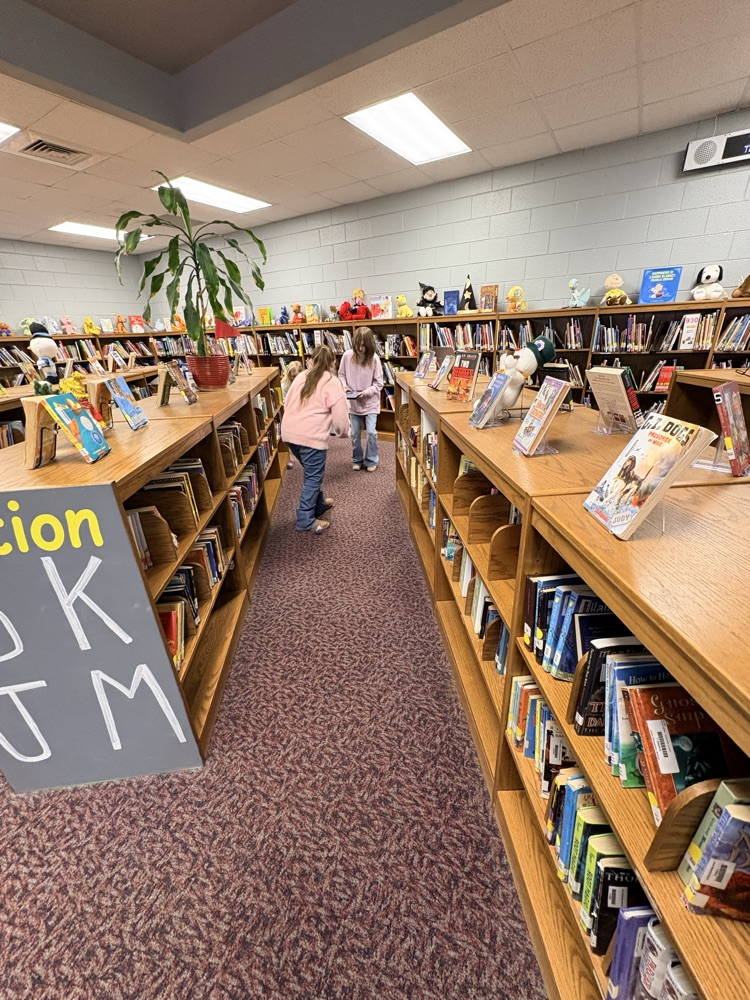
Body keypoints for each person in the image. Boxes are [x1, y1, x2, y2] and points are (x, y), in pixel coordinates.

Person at [280, 345, 349, 534]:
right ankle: (305, 519)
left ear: (312, 360)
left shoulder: (302, 376)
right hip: (311, 437)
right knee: (313, 477)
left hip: (289, 434)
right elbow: (341, 419)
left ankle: (318, 505)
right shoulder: (332, 382)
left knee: (313, 472)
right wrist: (343, 433)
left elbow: (287, 402)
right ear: (332, 362)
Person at [338, 326, 384, 471]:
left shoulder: (374, 358)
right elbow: (341, 375)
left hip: (370, 402)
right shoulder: (347, 356)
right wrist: (345, 387)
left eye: (364, 345)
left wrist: (367, 392)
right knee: (355, 435)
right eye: (358, 344)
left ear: (369, 344)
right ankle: (357, 459)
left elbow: (379, 383)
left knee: (371, 432)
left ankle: (371, 460)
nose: (360, 348)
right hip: (353, 403)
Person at [280, 360, 303, 469]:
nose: (294, 379)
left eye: (297, 376)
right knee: (289, 436)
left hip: (302, 413)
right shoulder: (284, 385)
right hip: (289, 412)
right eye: (292, 376)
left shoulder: (305, 383)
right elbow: (284, 401)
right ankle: (290, 457)